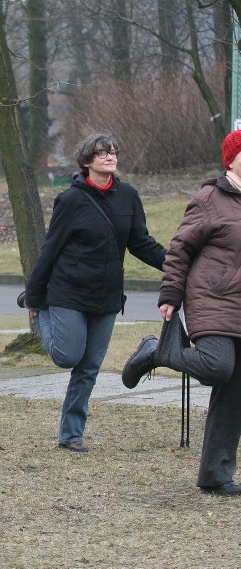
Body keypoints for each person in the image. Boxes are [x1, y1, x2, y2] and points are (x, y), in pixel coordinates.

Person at [21, 132, 165, 453]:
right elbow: (50, 248)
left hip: (107, 297)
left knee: (88, 367)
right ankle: (43, 309)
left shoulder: (128, 195)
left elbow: (141, 242)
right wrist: (34, 295)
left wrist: (175, 264)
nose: (110, 157)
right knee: (68, 356)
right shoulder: (70, 200)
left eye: (114, 152)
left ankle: (71, 434)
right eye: (102, 153)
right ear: (87, 161)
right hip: (67, 293)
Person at [122, 130, 241, 495]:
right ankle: (157, 351)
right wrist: (171, 293)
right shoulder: (210, 199)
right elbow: (179, 250)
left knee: (235, 389)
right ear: (232, 158)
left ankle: (215, 474)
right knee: (218, 365)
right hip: (212, 297)